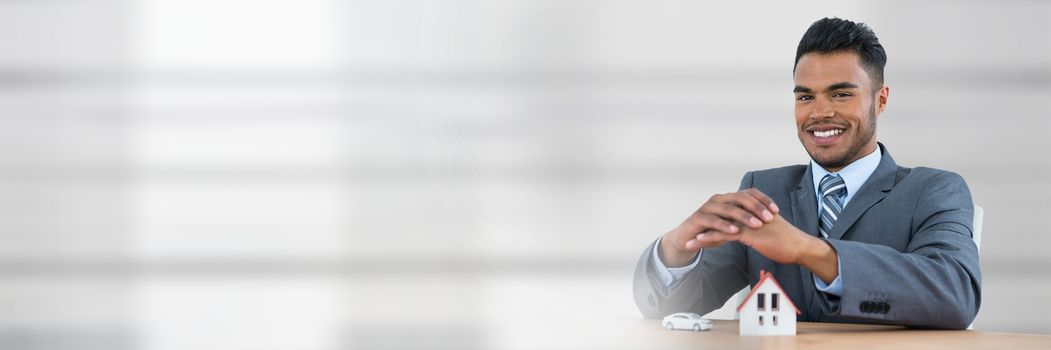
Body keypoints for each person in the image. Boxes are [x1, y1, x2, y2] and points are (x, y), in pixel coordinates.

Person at [632, 17, 980, 329]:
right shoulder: (764, 189)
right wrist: (678, 248)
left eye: (841, 94)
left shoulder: (932, 190)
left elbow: (953, 294)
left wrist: (809, 251)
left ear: (881, 100)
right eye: (805, 97)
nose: (820, 112)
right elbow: (672, 307)